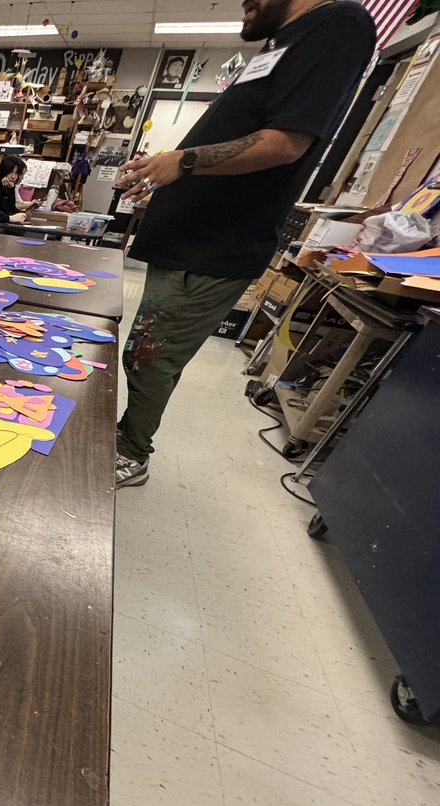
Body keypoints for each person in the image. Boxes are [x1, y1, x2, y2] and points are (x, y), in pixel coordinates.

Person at [111, 0, 375, 488]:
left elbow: (287, 142)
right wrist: (168, 166)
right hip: (189, 241)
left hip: (213, 247)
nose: (244, 4)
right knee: (147, 353)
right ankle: (127, 439)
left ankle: (131, 451)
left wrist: (185, 161)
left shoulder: (338, 24)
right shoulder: (286, 41)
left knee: (151, 355)